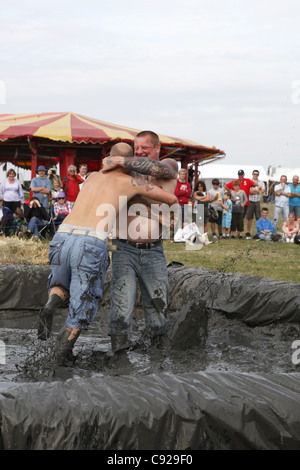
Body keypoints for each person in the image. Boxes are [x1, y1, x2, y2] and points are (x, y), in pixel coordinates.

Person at [37, 142, 178, 366]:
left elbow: (117, 192)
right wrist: (158, 211)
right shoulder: (132, 181)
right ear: (129, 162)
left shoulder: (92, 176)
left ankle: (50, 305)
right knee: (83, 305)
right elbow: (170, 199)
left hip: (62, 236)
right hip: (91, 241)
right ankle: (56, 358)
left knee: (61, 284)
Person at [101, 130, 178, 353]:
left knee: (158, 305)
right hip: (124, 247)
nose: (139, 152)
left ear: (157, 148)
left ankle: (157, 354)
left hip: (154, 249)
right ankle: (117, 355)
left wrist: (121, 160)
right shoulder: (125, 171)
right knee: (122, 304)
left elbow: (164, 170)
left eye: (144, 148)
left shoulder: (169, 166)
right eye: (136, 149)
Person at [224, 169, 256, 239]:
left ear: (243, 175)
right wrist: (230, 191)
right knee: (234, 220)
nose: (240, 176)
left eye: (241, 175)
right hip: (234, 208)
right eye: (239, 175)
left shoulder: (245, 184)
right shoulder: (233, 190)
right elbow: (226, 187)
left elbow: (246, 199)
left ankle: (240, 233)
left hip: (242, 207)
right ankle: (233, 233)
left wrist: (259, 186)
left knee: (241, 220)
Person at [246, 170, 265, 238]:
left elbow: (263, 191)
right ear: (252, 174)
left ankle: (258, 232)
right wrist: (257, 191)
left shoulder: (261, 182)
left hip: (257, 201)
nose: (255, 175)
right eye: (254, 174)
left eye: (257, 174)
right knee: (249, 218)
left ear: (258, 175)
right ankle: (248, 232)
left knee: (258, 217)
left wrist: (254, 191)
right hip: (250, 201)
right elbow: (247, 191)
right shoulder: (249, 182)